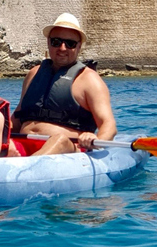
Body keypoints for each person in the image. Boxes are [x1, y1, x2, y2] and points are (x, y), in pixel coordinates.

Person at [11, 13, 117, 156]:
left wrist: (95, 140)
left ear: (79, 46)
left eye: (70, 43)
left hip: (68, 149)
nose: (62, 48)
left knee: (60, 140)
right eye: (56, 42)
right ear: (48, 42)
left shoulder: (90, 80)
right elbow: (17, 118)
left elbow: (108, 125)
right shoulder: (34, 74)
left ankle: (28, 168)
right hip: (26, 143)